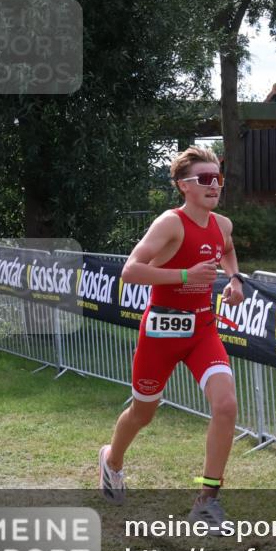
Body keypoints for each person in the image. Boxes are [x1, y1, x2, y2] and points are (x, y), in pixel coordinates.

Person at [98, 146, 245, 528]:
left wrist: (234, 279)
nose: (215, 185)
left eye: (219, 178)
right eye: (205, 179)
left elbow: (227, 250)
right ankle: (112, 460)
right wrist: (184, 276)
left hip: (202, 331)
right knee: (143, 413)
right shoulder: (170, 223)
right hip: (161, 333)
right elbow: (131, 271)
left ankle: (206, 502)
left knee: (226, 405)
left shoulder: (222, 224)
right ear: (184, 186)